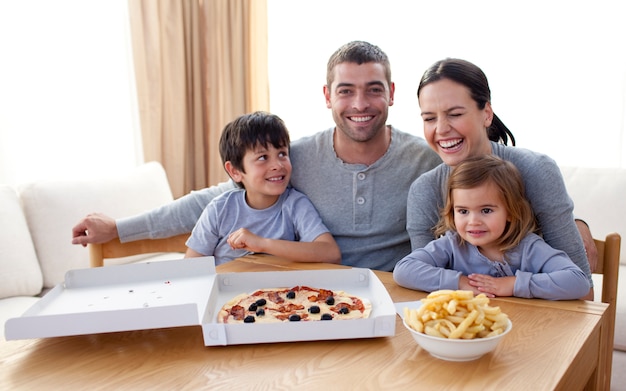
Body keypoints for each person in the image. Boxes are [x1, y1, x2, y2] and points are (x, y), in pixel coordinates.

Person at [71, 41, 442, 271]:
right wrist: (119, 228)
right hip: (306, 298)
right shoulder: (293, 159)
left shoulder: (427, 159)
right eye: (346, 91)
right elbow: (210, 202)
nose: (359, 104)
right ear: (327, 97)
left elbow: (484, 176)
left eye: (373, 90)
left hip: (392, 294)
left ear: (391, 93)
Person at [404, 58, 594, 299]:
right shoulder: (425, 190)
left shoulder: (536, 170)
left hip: (539, 321)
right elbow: (424, 285)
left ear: (486, 114)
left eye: (455, 114)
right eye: (429, 118)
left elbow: (582, 288)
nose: (441, 129)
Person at [394, 155, 590, 300]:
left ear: (511, 212)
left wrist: (512, 285)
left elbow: (578, 282)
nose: (473, 221)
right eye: (463, 211)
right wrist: (460, 283)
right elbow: (404, 270)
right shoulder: (452, 244)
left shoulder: (529, 248)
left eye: (486, 210)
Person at [185, 111, 340, 265]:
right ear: (235, 171)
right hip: (226, 287)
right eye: (262, 157)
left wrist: (263, 244)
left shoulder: (295, 204)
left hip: (277, 289)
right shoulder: (220, 209)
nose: (277, 165)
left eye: (282, 154)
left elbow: (330, 253)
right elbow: (191, 268)